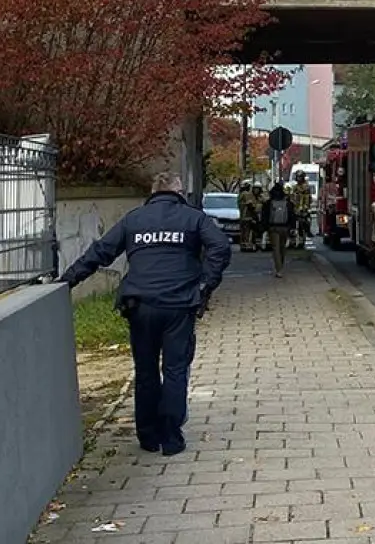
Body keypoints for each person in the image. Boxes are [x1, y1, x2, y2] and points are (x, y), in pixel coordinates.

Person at [59, 171, 231, 456]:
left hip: (140, 305)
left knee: (146, 371)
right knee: (175, 369)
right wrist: (204, 285)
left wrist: (67, 280)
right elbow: (221, 247)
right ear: (179, 192)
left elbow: (101, 251)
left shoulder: (134, 219)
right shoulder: (194, 218)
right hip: (179, 304)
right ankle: (172, 439)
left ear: (152, 192)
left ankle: (148, 437)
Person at [263, 182, 296, 278]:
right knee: (282, 248)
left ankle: (279, 269)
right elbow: (292, 216)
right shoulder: (288, 203)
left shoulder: (268, 203)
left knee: (275, 249)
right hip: (285, 228)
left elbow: (264, 216)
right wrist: (292, 228)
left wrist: (264, 228)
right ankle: (280, 265)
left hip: (273, 228)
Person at [287, 171, 315, 249]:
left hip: (303, 209)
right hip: (294, 208)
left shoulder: (306, 187)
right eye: (298, 177)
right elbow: (292, 197)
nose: (299, 178)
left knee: (304, 222)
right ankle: (292, 241)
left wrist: (305, 208)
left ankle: (304, 236)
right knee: (290, 224)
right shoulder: (295, 187)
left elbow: (307, 199)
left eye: (300, 177)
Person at [237, 183, 261, 252]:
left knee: (243, 232)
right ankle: (247, 246)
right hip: (248, 216)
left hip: (243, 217)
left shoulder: (240, 195)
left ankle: (243, 245)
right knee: (248, 232)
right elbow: (251, 205)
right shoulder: (246, 194)